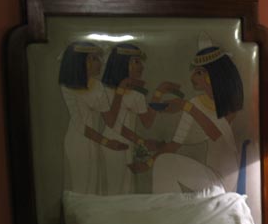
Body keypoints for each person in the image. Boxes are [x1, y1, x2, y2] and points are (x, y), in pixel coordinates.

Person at [141, 35, 244, 193]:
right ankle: (169, 206)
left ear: (211, 75)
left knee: (165, 164)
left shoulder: (228, 103)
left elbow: (216, 134)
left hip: (226, 177)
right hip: (210, 174)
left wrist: (186, 107)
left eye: (198, 72)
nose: (192, 77)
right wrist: (148, 162)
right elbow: (175, 144)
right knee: (163, 162)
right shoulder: (195, 103)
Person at [100, 43, 181, 194]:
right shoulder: (106, 92)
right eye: (136, 62)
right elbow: (112, 123)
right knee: (115, 189)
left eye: (140, 62)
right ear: (122, 64)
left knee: (128, 188)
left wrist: (159, 92)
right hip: (112, 144)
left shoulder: (137, 95)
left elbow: (147, 122)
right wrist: (141, 141)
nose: (141, 67)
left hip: (129, 144)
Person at [58, 41, 127, 194]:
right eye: (94, 59)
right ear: (82, 62)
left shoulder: (97, 85)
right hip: (78, 141)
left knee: (93, 187)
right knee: (82, 187)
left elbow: (110, 120)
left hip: (94, 140)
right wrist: (107, 142)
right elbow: (80, 125)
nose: (100, 63)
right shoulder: (68, 87)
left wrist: (120, 92)